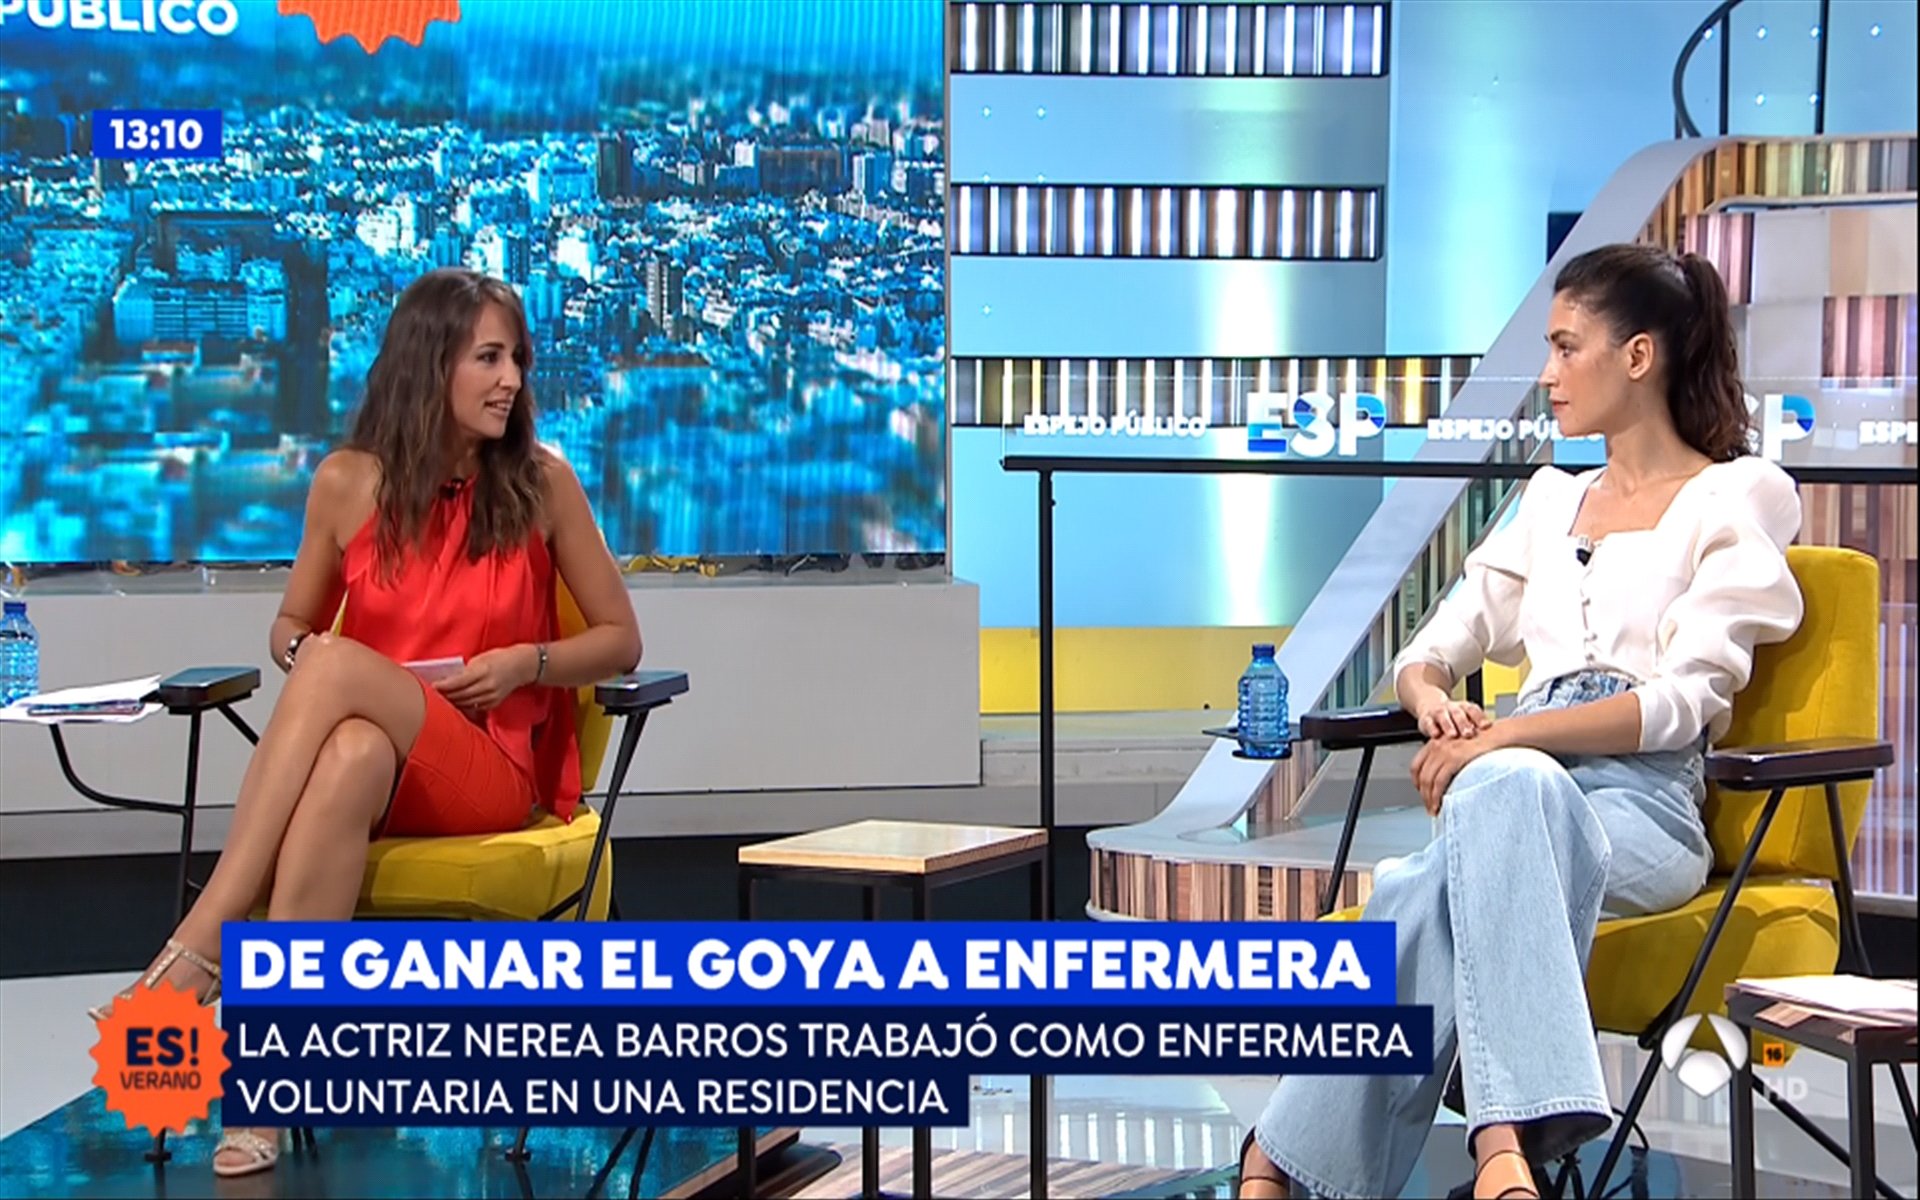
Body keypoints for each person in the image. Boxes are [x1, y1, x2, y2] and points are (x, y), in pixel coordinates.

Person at [1235, 243, 1805, 1200]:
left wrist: (1502, 738)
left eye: (1566, 346)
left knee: (1433, 866)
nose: (1547, 374)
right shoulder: (1549, 501)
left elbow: (1682, 704)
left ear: (1637, 356)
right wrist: (1437, 704)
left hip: (1642, 807)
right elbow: (1426, 652)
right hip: (1511, 789)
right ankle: (1502, 1147)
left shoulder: (1735, 495)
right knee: (1486, 815)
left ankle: (1279, 1161)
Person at [91, 268, 643, 1177]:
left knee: (339, 668)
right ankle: (268, 1099)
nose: (512, 380)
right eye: (489, 358)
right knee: (346, 744)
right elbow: (290, 625)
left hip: (487, 772)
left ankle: (202, 941)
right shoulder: (346, 483)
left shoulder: (544, 484)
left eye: (517, 359)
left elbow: (622, 640)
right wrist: (300, 654)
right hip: (383, 767)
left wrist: (526, 663)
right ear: (430, 364)